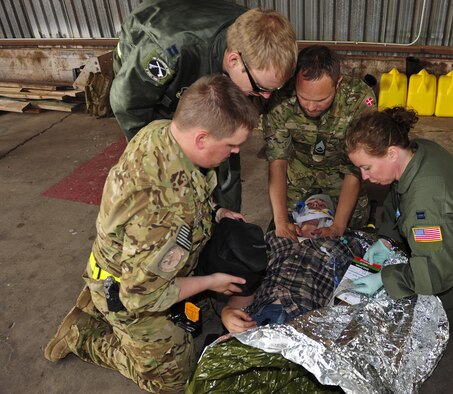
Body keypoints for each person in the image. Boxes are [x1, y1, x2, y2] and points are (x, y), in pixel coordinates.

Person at [44, 75, 260, 393]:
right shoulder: (163, 211)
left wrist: (216, 212)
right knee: (172, 380)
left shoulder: (163, 132)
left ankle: (99, 305)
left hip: (134, 258)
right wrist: (211, 283)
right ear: (201, 138)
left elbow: (193, 191)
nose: (236, 151)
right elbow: (141, 296)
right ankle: (83, 334)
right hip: (130, 291)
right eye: (231, 145)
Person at [110, 0, 298, 212]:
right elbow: (127, 103)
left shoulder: (257, 35)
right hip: (147, 75)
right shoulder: (170, 50)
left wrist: (223, 212)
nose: (265, 97)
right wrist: (154, 154)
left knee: (225, 143)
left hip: (204, 55)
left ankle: (225, 223)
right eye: (260, 88)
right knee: (172, 168)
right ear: (234, 60)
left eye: (273, 89)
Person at [344, 107, 453, 332]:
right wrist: (387, 239)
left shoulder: (426, 206)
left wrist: (385, 278)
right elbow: (398, 195)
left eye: (367, 167)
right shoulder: (418, 151)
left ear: (391, 153)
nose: (364, 177)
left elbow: (436, 274)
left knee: (396, 318)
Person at [264, 45, 377, 241]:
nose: (310, 106)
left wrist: (338, 226)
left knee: (354, 227)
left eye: (321, 100)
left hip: (341, 171)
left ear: (338, 82)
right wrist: (281, 221)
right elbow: (278, 159)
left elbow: (355, 167)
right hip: (297, 168)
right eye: (303, 97)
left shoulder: (359, 99)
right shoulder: (280, 97)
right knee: (283, 228)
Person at [220, 229, 370, 333]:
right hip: (257, 317)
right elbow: (250, 283)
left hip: (304, 320)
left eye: (323, 205)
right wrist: (227, 312)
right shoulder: (274, 237)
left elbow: (355, 288)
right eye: (308, 204)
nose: (316, 205)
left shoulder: (346, 243)